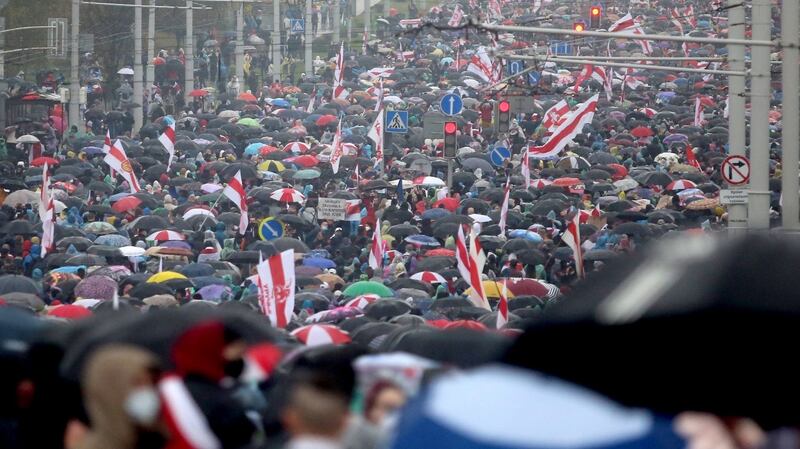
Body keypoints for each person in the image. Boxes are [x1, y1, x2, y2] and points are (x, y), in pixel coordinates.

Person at [66, 345, 164, 449]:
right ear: (111, 392)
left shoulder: (168, 434)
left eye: (151, 382)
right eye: (137, 383)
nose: (147, 391)